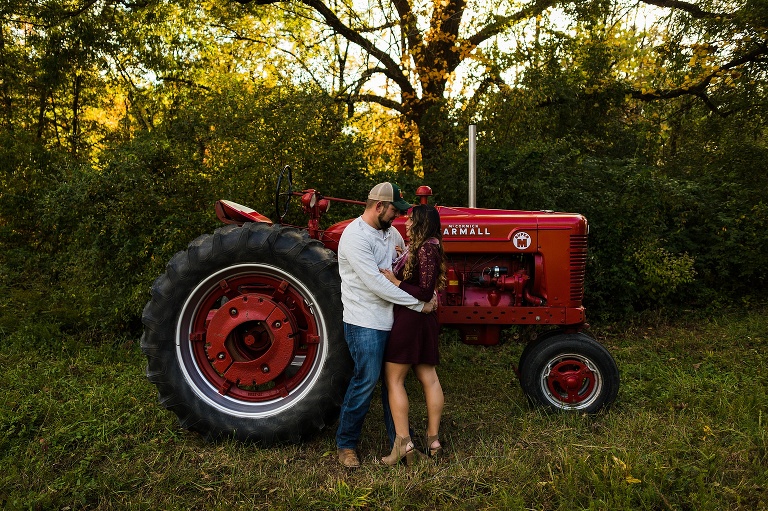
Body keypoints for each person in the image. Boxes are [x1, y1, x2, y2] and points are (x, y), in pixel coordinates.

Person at [335, 182, 437, 469]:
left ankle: (402, 442)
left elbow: (405, 265)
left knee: (393, 384)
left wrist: (430, 289)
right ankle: (346, 444)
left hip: (395, 319)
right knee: (366, 381)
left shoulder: (390, 232)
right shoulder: (354, 237)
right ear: (378, 206)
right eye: (394, 210)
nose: (398, 217)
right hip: (365, 321)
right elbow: (377, 284)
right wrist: (419, 304)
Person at [380, 204, 446, 466]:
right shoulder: (425, 247)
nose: (405, 224)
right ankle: (433, 440)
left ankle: (403, 444)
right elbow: (422, 277)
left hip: (411, 319)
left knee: (394, 380)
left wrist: (395, 282)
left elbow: (423, 291)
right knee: (428, 377)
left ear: (421, 223)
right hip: (423, 320)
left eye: (410, 220)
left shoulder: (427, 248)